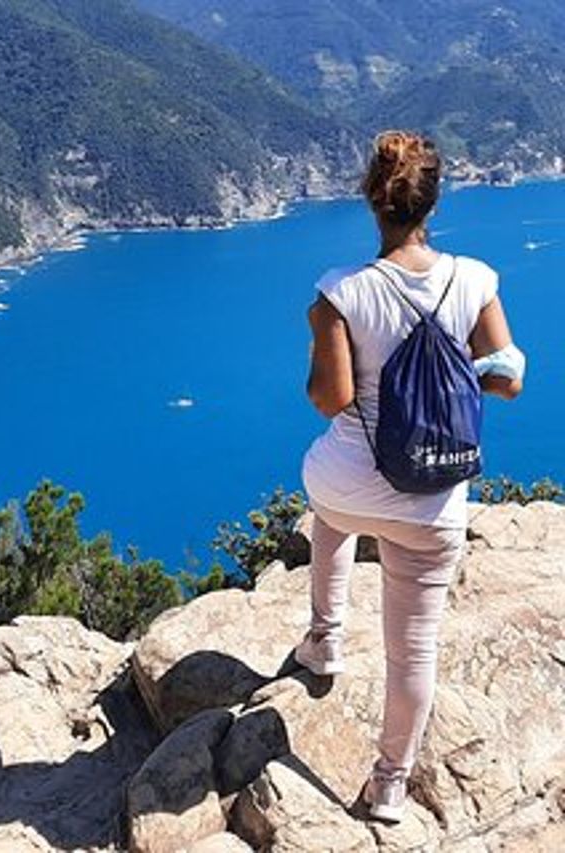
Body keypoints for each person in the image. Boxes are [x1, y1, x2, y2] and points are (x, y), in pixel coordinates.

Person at [298, 130, 525, 823]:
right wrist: (454, 376)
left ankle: (324, 638)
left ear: (374, 201)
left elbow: (330, 399)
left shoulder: (341, 292)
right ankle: (390, 785)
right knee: (412, 648)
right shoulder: (475, 279)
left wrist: (323, 333)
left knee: (328, 504)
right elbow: (510, 378)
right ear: (433, 202)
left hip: (349, 484)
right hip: (433, 502)